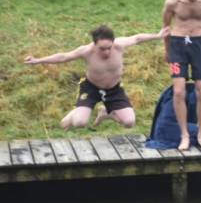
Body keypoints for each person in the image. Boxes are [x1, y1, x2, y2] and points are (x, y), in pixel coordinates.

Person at [24, 24, 169, 130]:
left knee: (129, 122)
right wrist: (39, 60)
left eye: (109, 48)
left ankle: (106, 113)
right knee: (80, 123)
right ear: (94, 44)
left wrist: (157, 35)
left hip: (114, 89)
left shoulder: (119, 45)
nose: (106, 52)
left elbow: (137, 38)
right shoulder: (86, 51)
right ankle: (77, 112)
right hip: (91, 88)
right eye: (102, 48)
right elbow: (64, 56)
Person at [163, 0, 201, 150]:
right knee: (179, 91)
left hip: (199, 44)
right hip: (178, 46)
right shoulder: (172, 1)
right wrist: (167, 50)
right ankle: (184, 135)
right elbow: (166, 27)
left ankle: (200, 134)